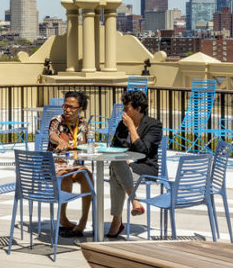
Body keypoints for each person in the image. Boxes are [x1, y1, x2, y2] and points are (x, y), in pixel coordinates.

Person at [105, 90, 161, 238]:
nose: (123, 112)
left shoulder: (154, 125)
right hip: (125, 167)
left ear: (138, 109)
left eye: (126, 108)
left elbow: (145, 151)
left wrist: (131, 127)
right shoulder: (121, 125)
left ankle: (117, 220)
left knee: (115, 174)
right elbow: (115, 146)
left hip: (145, 168)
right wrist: (125, 158)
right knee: (117, 164)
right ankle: (134, 201)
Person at [47, 91, 93, 236]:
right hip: (57, 165)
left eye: (72, 107)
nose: (67, 110)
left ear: (80, 108)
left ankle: (83, 220)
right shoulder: (57, 120)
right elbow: (52, 135)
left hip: (75, 164)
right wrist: (61, 141)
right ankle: (63, 217)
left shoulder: (83, 123)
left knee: (87, 176)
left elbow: (86, 143)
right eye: (65, 106)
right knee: (66, 175)